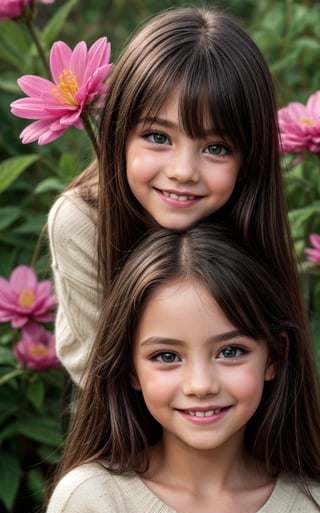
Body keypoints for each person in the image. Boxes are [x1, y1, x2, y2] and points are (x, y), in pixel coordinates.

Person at [37, 224, 320, 513]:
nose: (200, 384)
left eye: (231, 351)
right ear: (131, 369)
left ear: (274, 357)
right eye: (166, 356)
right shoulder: (92, 507)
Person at [48, 5, 302, 386]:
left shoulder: (247, 210)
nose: (183, 171)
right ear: (119, 131)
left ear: (250, 157)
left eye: (216, 147)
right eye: (158, 137)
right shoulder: (82, 221)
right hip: (118, 421)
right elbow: (102, 378)